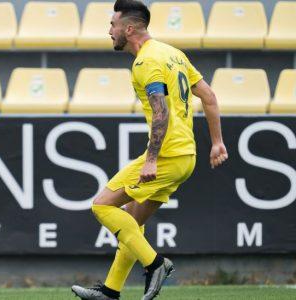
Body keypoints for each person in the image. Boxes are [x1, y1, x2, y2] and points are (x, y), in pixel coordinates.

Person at [71, 1, 228, 299]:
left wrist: (152, 159)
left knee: (102, 205)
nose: (109, 31)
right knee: (133, 220)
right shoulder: (173, 53)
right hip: (186, 156)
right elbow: (208, 95)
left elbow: (160, 113)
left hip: (167, 156)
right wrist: (217, 141)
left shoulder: (146, 62)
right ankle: (110, 291)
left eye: (112, 25)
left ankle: (155, 264)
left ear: (128, 29)